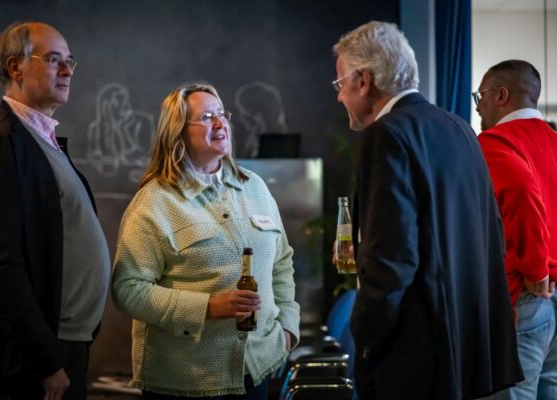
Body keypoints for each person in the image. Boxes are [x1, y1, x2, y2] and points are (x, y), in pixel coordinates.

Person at [332, 21, 523, 400]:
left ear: (363, 81)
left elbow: (392, 261)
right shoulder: (460, 127)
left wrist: (365, 342)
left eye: (340, 84)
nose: (339, 96)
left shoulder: (386, 134)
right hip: (468, 349)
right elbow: (490, 233)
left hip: (415, 357)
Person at [111, 83, 300, 399]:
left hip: (258, 369)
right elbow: (128, 289)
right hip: (187, 379)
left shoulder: (255, 186)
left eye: (222, 114)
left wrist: (289, 327)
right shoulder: (154, 202)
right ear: (178, 133)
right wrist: (208, 307)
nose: (220, 122)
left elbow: (282, 260)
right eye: (206, 117)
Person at [0, 22, 111, 399]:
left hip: (64, 344)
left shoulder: (39, 140)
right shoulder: (0, 144)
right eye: (54, 60)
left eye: (70, 61)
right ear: (16, 67)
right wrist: (44, 360)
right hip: (36, 361)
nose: (67, 71)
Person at [476, 60, 557, 400]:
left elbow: (522, 193)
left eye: (480, 96)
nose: (478, 107)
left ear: (501, 95)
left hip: (525, 297)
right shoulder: (554, 140)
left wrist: (536, 270)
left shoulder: (494, 142)